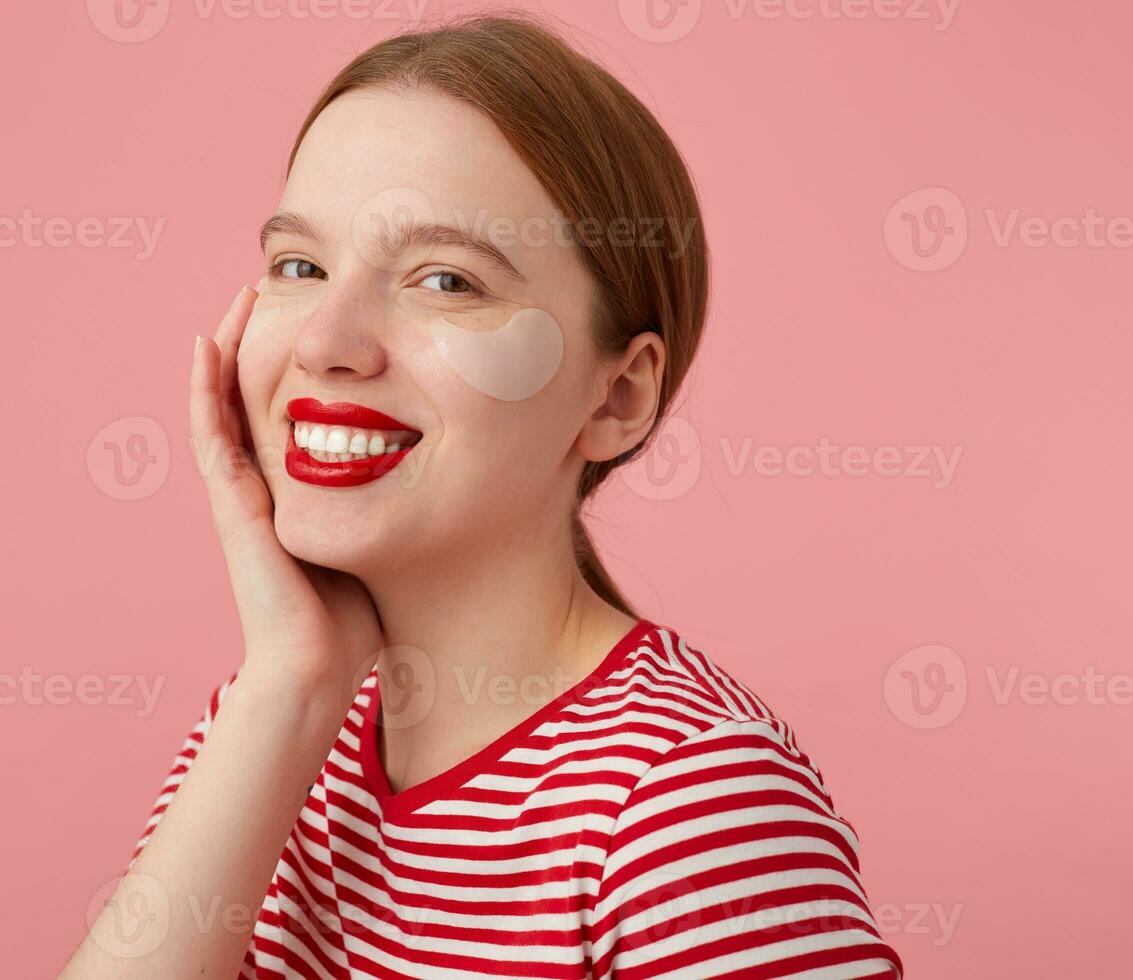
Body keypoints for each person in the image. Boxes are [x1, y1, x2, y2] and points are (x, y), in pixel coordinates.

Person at [62, 13, 902, 979]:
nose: (328, 341)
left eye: (447, 280)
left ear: (619, 395)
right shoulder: (270, 723)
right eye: (300, 265)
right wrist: (287, 691)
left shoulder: (687, 800)